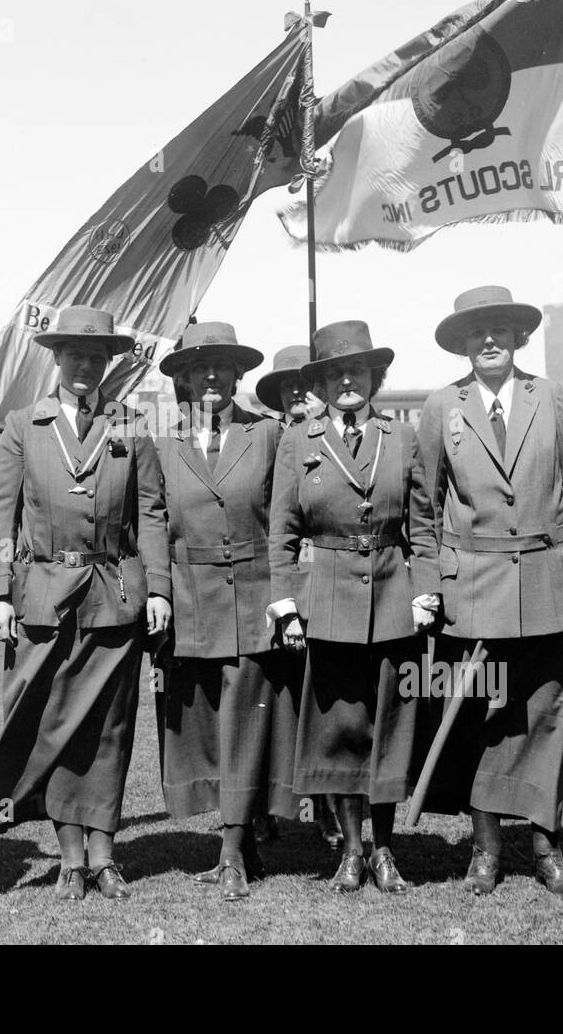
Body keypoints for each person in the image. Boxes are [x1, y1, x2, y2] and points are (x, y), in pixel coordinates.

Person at [416, 286, 563, 896]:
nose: (491, 339)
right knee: (481, 716)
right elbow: (423, 510)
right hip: (471, 589)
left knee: (546, 711)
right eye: (478, 331)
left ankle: (546, 846)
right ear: (463, 343)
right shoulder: (439, 406)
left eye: (501, 328)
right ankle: (485, 848)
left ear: (518, 336)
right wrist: (428, 586)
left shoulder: (548, 396)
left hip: (549, 585)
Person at [0, 305, 172, 902]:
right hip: (43, 599)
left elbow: (152, 514)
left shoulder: (131, 425)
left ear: (109, 361)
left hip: (114, 598)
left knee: (108, 728)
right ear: (56, 358)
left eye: (97, 355)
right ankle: (70, 856)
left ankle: (105, 853)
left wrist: (159, 588)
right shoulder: (22, 425)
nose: (86, 365)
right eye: (75, 354)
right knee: (52, 723)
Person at [269, 321, 439, 893]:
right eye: (335, 372)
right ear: (319, 381)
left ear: (374, 377)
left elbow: (425, 525)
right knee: (339, 727)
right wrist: (287, 604)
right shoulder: (299, 441)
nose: (347, 380)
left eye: (358, 370)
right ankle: (349, 851)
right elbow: (282, 532)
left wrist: (427, 591)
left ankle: (385, 850)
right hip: (329, 598)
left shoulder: (402, 437)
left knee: (390, 725)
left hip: (394, 593)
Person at [153, 323, 300, 901]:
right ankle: (243, 835)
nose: (210, 377)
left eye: (222, 366)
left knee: (246, 721)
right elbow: (150, 524)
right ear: (182, 380)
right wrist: (159, 592)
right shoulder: (160, 443)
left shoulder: (266, 436)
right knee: (205, 729)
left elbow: (285, 520)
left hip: (252, 599)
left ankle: (232, 851)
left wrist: (286, 596)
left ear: (238, 376)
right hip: (188, 602)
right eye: (198, 367)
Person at [256, 345, 342, 850]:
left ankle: (331, 810)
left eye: (305, 388)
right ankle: (269, 807)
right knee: (274, 704)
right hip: (275, 580)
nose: (297, 397)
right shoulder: (270, 437)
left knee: (324, 702)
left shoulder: (327, 434)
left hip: (324, 580)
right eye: (288, 389)